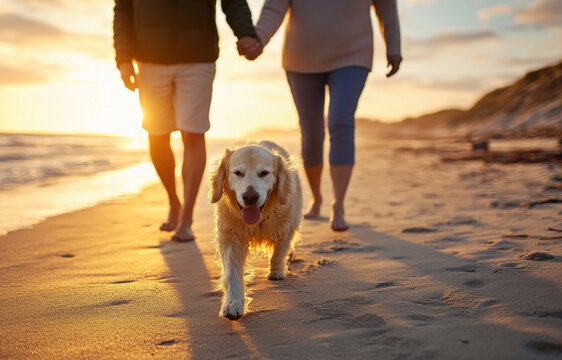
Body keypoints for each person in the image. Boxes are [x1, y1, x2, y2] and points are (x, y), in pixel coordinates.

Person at [239, 0, 402, 231]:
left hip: (353, 53)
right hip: (301, 58)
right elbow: (275, 6)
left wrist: (393, 47)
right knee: (312, 132)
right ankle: (317, 198)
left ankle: (339, 205)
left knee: (340, 122)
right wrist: (259, 39)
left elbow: (387, 8)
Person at [114, 0, 262, 241]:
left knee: (193, 133)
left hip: (197, 57)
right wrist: (122, 58)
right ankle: (174, 201)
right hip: (148, 58)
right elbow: (123, 7)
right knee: (156, 133)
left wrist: (245, 33)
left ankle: (186, 219)